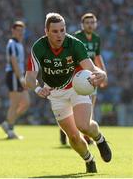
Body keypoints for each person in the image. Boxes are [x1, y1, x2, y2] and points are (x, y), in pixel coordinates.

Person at [25, 13, 112, 173]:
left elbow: (91, 67)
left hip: (76, 88)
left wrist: (101, 73)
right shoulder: (38, 47)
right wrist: (38, 88)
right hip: (55, 94)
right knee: (72, 136)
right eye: (55, 31)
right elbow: (29, 77)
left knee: (83, 126)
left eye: (62, 30)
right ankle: (88, 159)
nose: (60, 35)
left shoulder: (75, 44)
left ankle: (99, 139)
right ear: (46, 31)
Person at [59, 13, 108, 145]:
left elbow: (97, 57)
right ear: (82, 25)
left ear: (96, 24)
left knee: (90, 106)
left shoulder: (97, 39)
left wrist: (103, 72)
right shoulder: (76, 37)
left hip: (91, 76)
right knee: (70, 107)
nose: (90, 25)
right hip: (77, 76)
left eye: (92, 22)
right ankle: (65, 130)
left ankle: (86, 136)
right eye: (87, 23)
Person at [1, 21, 30, 139]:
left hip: (18, 75)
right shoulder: (12, 43)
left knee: (26, 103)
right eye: (18, 30)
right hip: (13, 74)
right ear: (13, 31)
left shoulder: (19, 44)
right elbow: (14, 62)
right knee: (15, 103)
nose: (20, 33)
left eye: (22, 30)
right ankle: (10, 130)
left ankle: (8, 123)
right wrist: (21, 78)